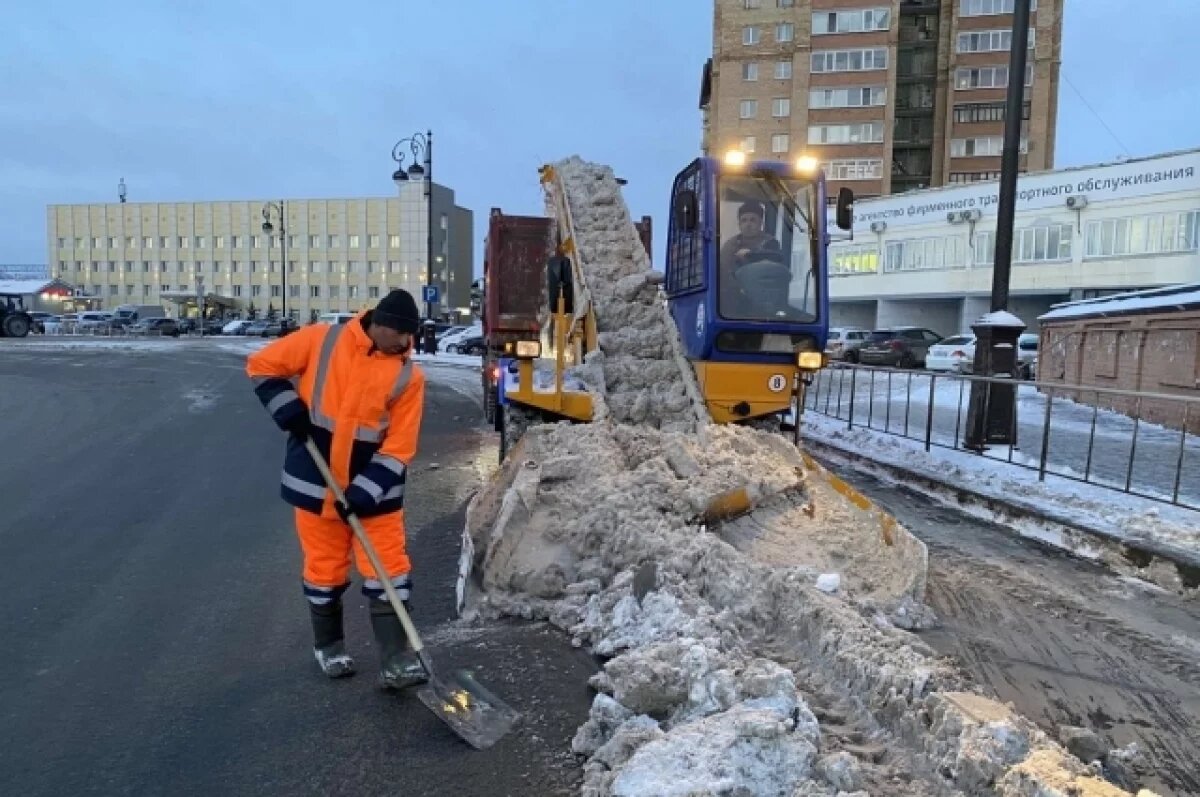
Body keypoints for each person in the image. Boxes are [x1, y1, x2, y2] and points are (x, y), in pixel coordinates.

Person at [246, 288, 427, 689]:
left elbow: (400, 447)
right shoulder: (322, 339)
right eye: (400, 336)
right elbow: (262, 366)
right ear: (379, 325)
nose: (406, 344)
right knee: (324, 571)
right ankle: (329, 647)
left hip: (375, 497)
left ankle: (398, 660)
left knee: (390, 571)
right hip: (315, 482)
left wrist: (365, 492)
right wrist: (287, 406)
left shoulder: (407, 375)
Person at [719, 200, 781, 268]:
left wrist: (750, 255)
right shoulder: (730, 245)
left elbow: (773, 267)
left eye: (753, 220)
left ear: (760, 223)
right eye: (744, 220)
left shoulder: (771, 243)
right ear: (739, 225)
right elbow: (722, 270)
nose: (748, 225)